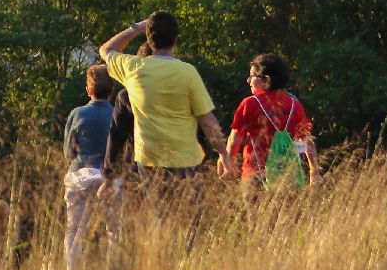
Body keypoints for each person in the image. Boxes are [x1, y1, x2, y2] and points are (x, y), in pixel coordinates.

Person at [97, 12, 224, 179]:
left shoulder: (134, 68)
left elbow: (106, 50)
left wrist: (136, 28)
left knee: (156, 205)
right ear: (175, 39)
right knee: (187, 205)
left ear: (149, 39)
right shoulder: (188, 72)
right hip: (185, 159)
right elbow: (207, 121)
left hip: (149, 160)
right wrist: (223, 154)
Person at [222, 53, 320, 188]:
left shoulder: (249, 104)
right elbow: (305, 140)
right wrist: (314, 170)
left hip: (256, 177)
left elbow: (235, 139)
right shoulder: (294, 104)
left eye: (252, 75)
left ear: (266, 80)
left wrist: (229, 163)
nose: (248, 80)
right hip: (288, 178)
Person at [61, 64, 119, 270]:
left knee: (74, 230)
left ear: (88, 89)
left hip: (80, 177)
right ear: (111, 89)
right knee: (114, 231)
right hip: (108, 178)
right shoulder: (116, 114)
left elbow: (68, 152)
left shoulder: (77, 114)